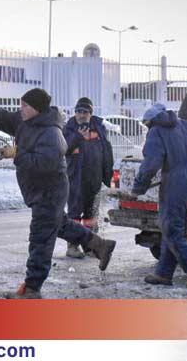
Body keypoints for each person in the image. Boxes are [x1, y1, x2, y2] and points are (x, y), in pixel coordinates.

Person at [0, 87, 117, 299]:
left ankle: (32, 289)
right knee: (59, 225)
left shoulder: (52, 132)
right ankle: (100, 245)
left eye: (25, 105)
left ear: (38, 109)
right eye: (21, 104)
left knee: (40, 238)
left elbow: (45, 163)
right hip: (39, 190)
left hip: (50, 191)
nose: (20, 108)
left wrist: (18, 153)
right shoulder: (25, 121)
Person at [128, 103, 187, 288]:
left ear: (151, 121)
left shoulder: (156, 131)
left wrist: (138, 187)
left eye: (146, 125)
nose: (147, 129)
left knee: (172, 231)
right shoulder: (186, 125)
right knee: (174, 229)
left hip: (174, 181)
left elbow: (151, 163)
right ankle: (163, 274)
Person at [63, 97, 114, 259]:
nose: (81, 115)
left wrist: (107, 175)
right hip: (75, 179)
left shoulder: (98, 128)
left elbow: (106, 151)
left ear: (91, 114)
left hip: (94, 178)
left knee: (92, 215)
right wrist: (78, 136)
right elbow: (65, 149)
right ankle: (72, 246)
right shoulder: (69, 129)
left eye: (85, 112)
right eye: (78, 112)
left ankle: (90, 246)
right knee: (75, 214)